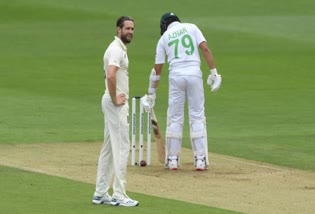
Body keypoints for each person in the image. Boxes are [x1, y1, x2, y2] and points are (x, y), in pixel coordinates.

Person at [144, 12, 222, 171]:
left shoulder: (164, 38)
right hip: (194, 75)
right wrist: (214, 73)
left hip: (176, 77)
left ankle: (172, 160)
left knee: (175, 117)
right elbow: (205, 49)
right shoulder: (192, 27)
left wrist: (151, 93)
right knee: (197, 115)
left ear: (164, 25)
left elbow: (157, 69)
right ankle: (200, 160)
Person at [92, 16, 139, 207]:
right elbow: (111, 74)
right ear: (118, 29)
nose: (130, 32)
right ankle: (119, 194)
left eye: (132, 29)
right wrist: (114, 98)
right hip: (115, 104)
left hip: (112, 102)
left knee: (109, 148)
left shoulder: (119, 48)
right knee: (121, 147)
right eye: (127, 28)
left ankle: (100, 192)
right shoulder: (115, 49)